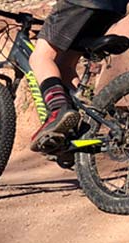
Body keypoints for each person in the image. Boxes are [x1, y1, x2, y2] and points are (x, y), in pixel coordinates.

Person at [28, 0, 129, 152]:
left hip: (81, 3)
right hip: (114, 7)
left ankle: (58, 109)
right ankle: (77, 131)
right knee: (65, 65)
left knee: (40, 57)